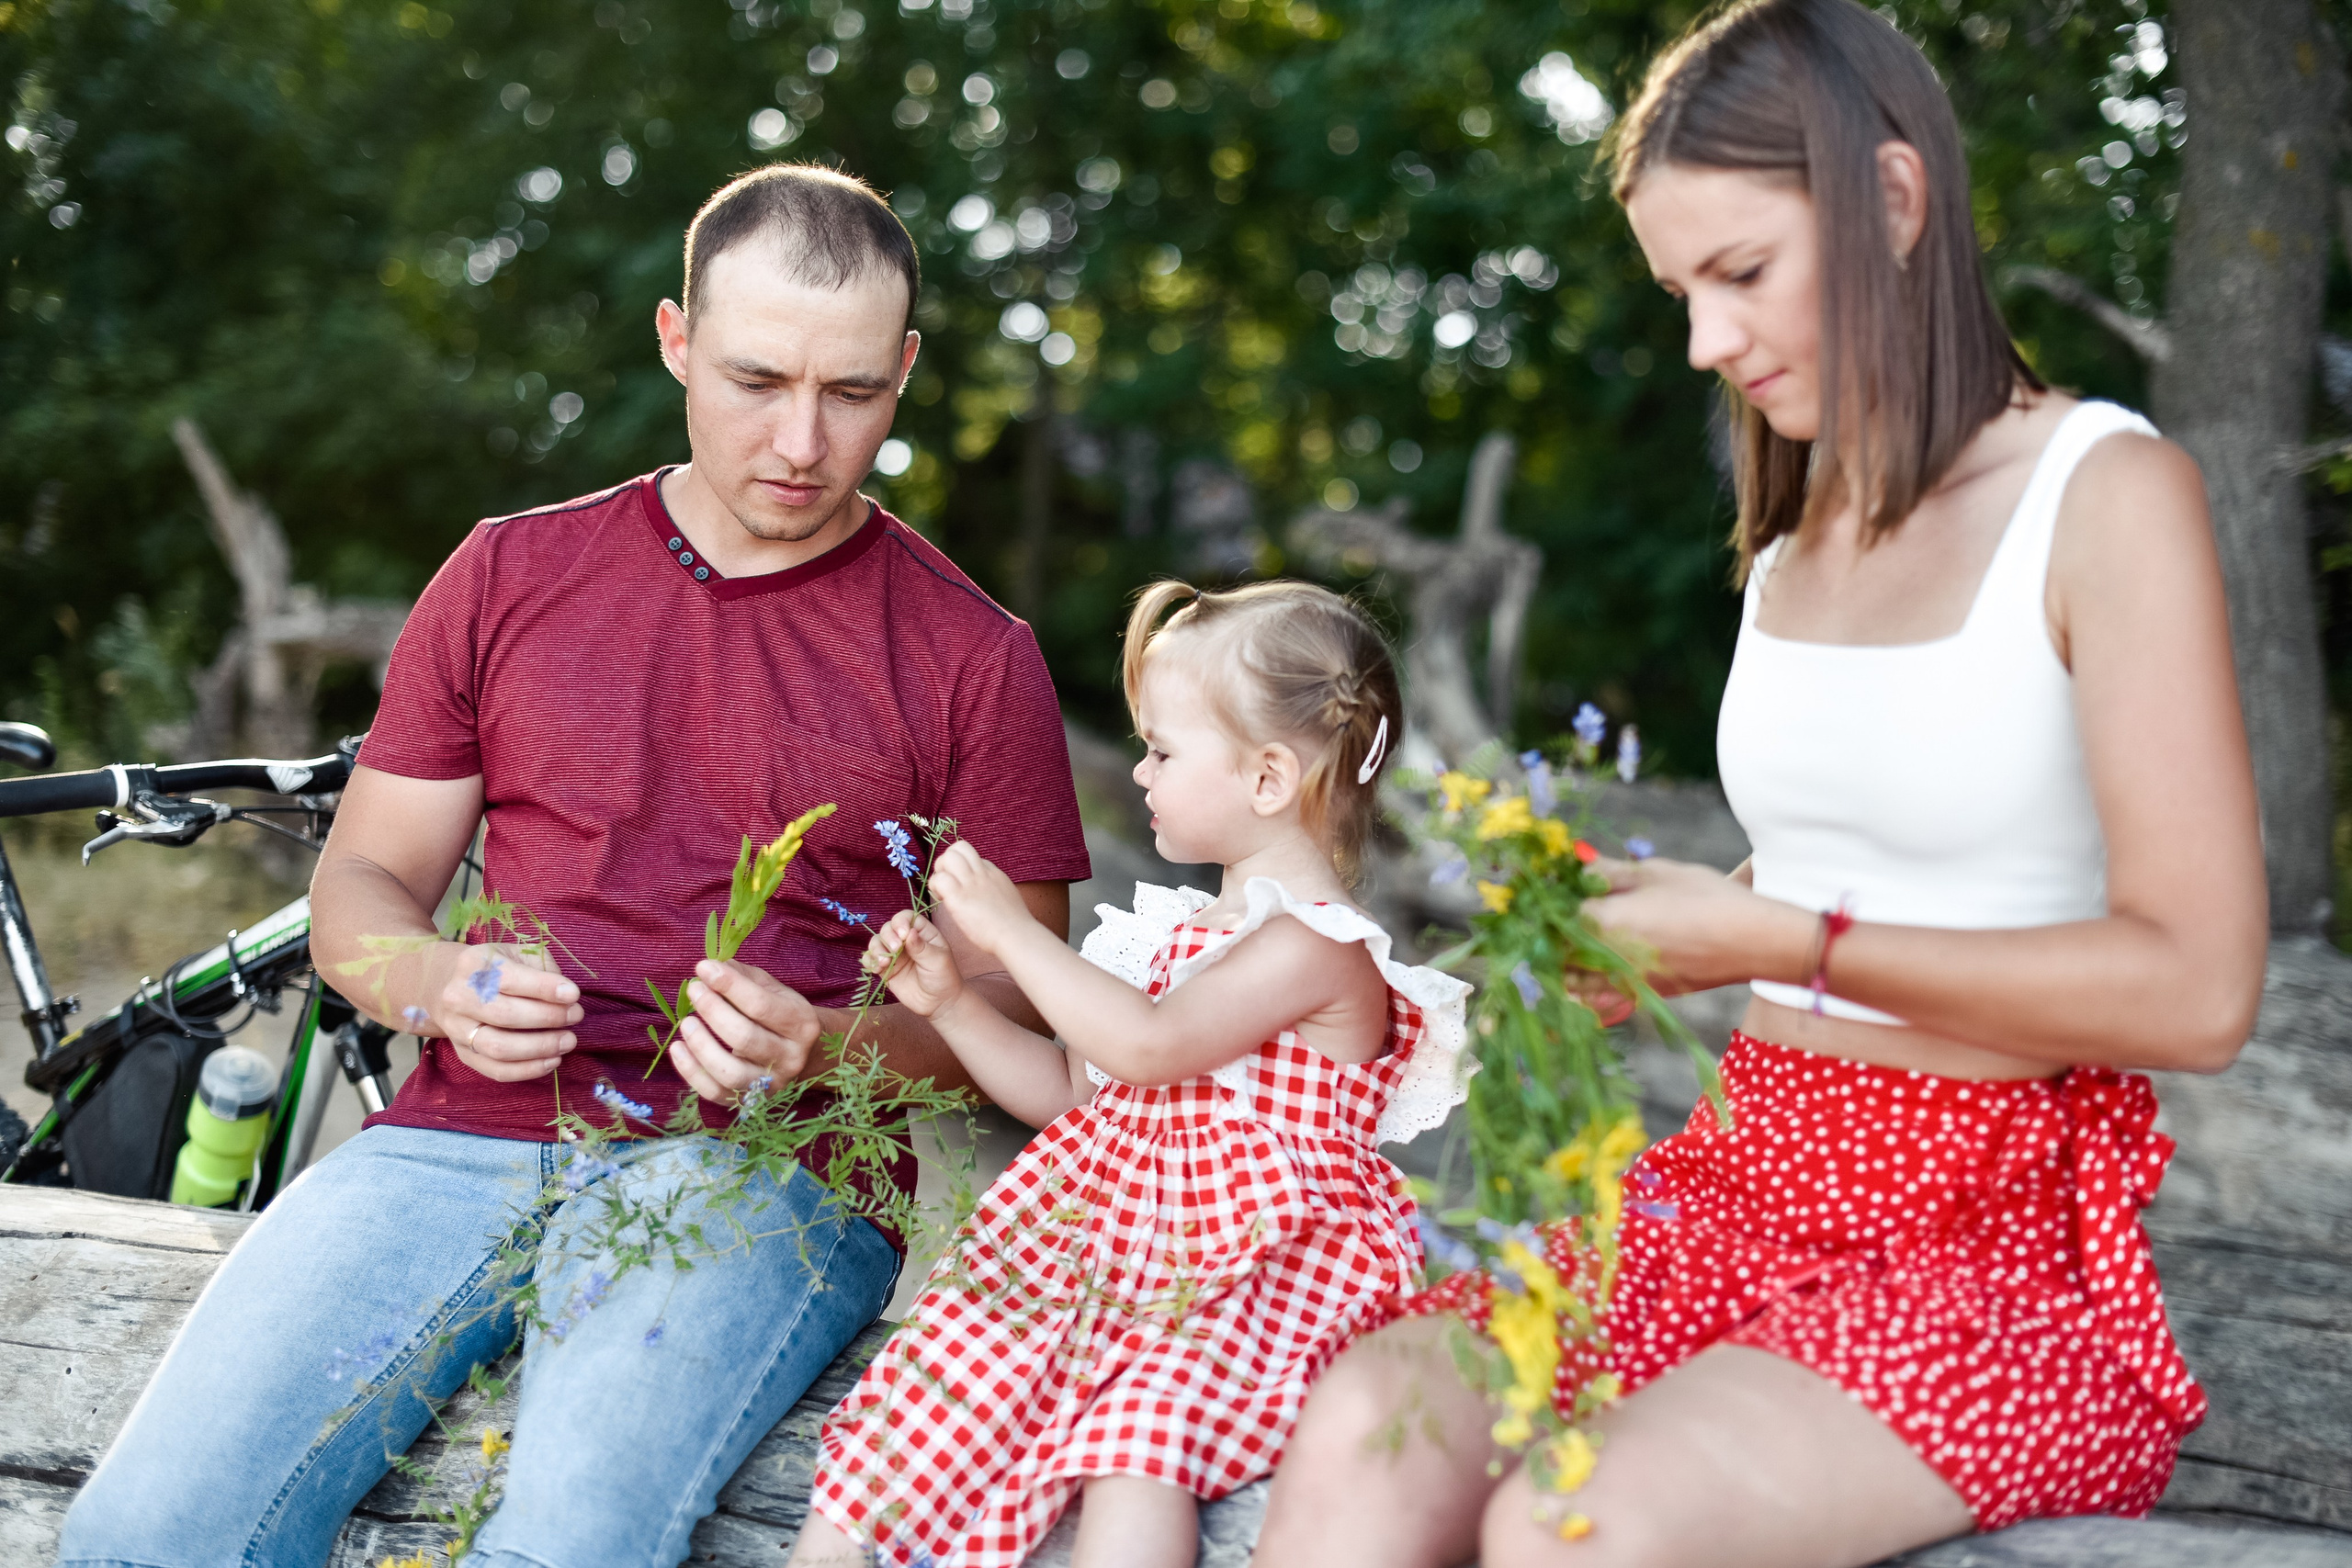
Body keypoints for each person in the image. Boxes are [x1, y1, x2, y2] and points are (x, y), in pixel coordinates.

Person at [1257, 4, 2268, 1566]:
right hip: (1743, 1171)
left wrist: (1773, 942)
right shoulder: (1797, 529)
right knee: (1359, 1434)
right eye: (1681, 292)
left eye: (1739, 274)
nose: (1705, 343)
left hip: (1988, 1237)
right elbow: (1855, 859)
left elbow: (2199, 989)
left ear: (1896, 202)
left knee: (1566, 1526)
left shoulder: (2105, 494)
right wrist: (1639, 941)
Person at [58, 164, 1092, 1568]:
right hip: (452, 1141)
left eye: (853, 392)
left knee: (562, 1544)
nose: (802, 438)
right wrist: (436, 980)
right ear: (674, 339)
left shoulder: (977, 656)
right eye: (756, 378)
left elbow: (1029, 1017)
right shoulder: (506, 573)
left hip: (760, 1171)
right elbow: (359, 889)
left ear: (907, 369)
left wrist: (830, 1047)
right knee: (144, 1533)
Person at [785, 581, 1472, 1568]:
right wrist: (949, 1006)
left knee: (1139, 1447)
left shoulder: (1318, 949)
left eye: (1161, 749)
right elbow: (1072, 1093)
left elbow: (1148, 1046)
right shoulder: (1180, 935)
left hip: (1237, 1272)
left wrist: (1013, 937)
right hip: (1095, 1259)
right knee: (922, 1404)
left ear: (1269, 778)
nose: (1140, 772)